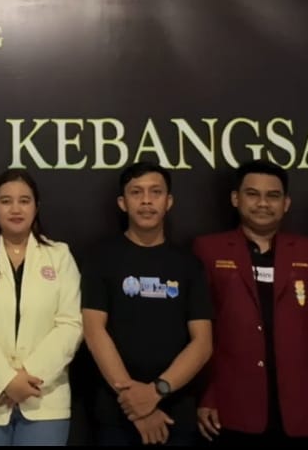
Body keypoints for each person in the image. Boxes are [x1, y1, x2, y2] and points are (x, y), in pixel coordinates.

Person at [192, 160, 308, 446]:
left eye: (273, 196)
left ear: (286, 203)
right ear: (235, 198)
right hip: (232, 407)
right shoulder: (208, 249)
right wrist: (208, 394)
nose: (263, 203)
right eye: (252, 194)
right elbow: (203, 334)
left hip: (302, 410)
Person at [81, 161, 214, 446]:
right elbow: (94, 332)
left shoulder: (189, 265)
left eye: (156, 192)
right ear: (122, 202)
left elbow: (203, 343)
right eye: (136, 192)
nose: (146, 200)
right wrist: (135, 403)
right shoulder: (100, 257)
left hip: (175, 410)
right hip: (117, 412)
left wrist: (155, 392)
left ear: (169, 201)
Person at [0, 168, 83, 446]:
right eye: (6, 201)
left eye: (24, 200)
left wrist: (26, 378)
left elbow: (70, 324)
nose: (15, 209)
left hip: (44, 397)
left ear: (36, 207)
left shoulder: (59, 255)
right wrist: (4, 380)